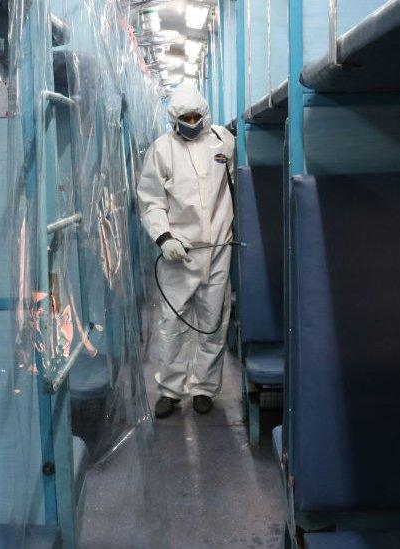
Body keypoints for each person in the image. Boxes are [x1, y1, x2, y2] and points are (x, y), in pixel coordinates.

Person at [136, 88, 235, 418]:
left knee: (213, 321)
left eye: (196, 118)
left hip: (219, 248)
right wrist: (164, 238)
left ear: (205, 115)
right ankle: (170, 390)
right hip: (180, 251)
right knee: (172, 323)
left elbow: (235, 187)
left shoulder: (223, 142)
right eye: (185, 119)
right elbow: (151, 200)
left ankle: (205, 388)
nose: (191, 124)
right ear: (173, 120)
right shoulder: (162, 150)